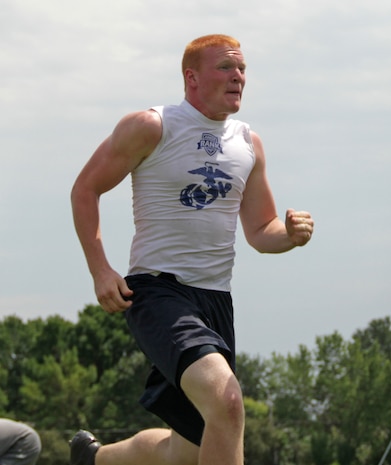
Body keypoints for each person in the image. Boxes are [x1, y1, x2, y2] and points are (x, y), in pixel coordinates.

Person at [69, 34, 314, 465]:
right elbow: (85, 189)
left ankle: (94, 459)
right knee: (228, 401)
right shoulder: (152, 126)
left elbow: (261, 229)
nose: (238, 76)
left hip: (216, 301)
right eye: (225, 67)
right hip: (158, 293)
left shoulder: (248, 144)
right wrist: (101, 271)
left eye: (242, 70)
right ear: (192, 77)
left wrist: (290, 235)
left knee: (183, 451)